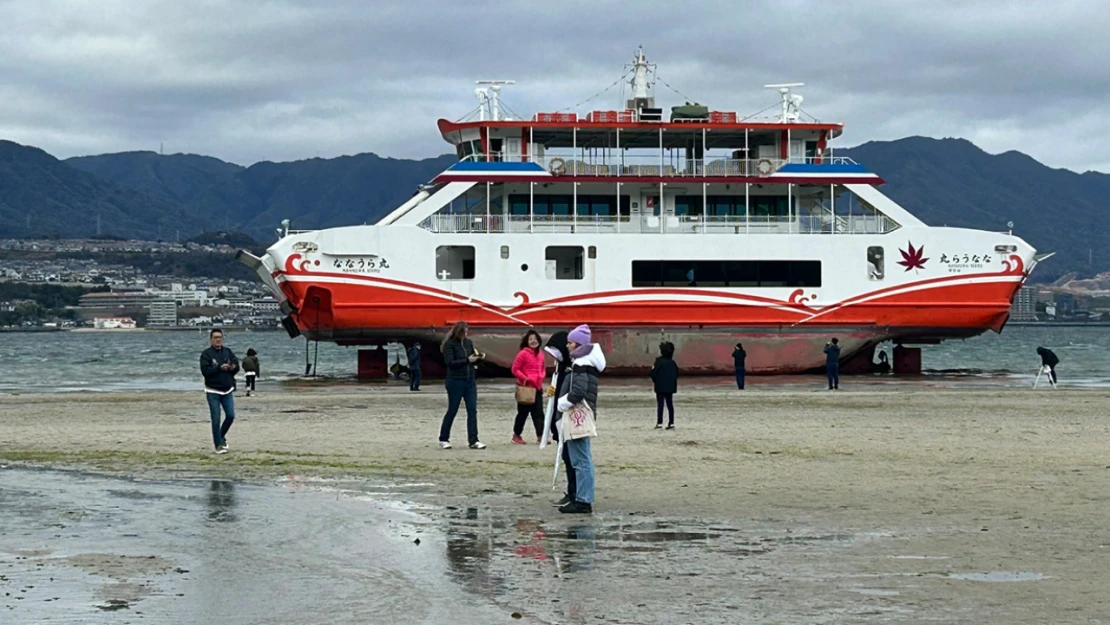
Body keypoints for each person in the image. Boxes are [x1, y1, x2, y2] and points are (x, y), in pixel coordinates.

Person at [556, 324, 606, 514]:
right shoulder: (587, 362)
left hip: (579, 415)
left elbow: (578, 390)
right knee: (582, 458)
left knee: (581, 459)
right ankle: (581, 498)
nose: (567, 346)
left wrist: (562, 403)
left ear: (578, 344)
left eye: (570, 342)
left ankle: (583, 501)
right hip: (585, 413)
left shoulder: (581, 363)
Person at [438, 321, 486, 450]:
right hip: (455, 381)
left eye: (466, 331)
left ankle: (473, 439)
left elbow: (471, 359)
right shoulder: (449, 344)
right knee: (452, 410)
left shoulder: (468, 343)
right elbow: (450, 362)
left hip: (470, 380)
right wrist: (467, 360)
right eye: (463, 331)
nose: (465, 334)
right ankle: (443, 438)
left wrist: (478, 359)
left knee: (472, 410)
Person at [544, 330, 577, 507]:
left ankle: (575, 492)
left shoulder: (571, 371)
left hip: (568, 421)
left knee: (572, 458)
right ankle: (572, 491)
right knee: (566, 457)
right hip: (558, 420)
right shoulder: (560, 370)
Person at [200, 329, 239, 454]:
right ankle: (218, 445)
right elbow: (205, 371)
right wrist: (218, 367)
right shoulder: (206, 354)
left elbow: (236, 365)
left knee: (231, 415)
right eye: (215, 337)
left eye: (220, 337)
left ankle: (220, 436)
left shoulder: (227, 351)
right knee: (216, 418)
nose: (218, 339)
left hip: (227, 389)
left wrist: (232, 367)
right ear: (211, 339)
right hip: (212, 390)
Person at [511, 330, 546, 444]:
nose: (533, 341)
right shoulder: (523, 354)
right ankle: (516, 435)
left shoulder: (540, 354)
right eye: (530, 339)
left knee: (539, 413)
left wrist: (542, 376)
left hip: (538, 387)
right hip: (526, 388)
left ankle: (541, 436)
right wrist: (525, 378)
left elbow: (543, 368)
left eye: (535, 338)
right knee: (523, 414)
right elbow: (514, 369)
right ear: (527, 341)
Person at [650, 341, 678, 429]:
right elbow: (676, 374)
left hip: (660, 387)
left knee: (660, 405)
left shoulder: (658, 362)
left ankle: (659, 423)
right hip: (670, 387)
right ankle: (671, 422)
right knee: (670, 405)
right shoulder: (673, 363)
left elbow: (653, 373)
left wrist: (656, 381)